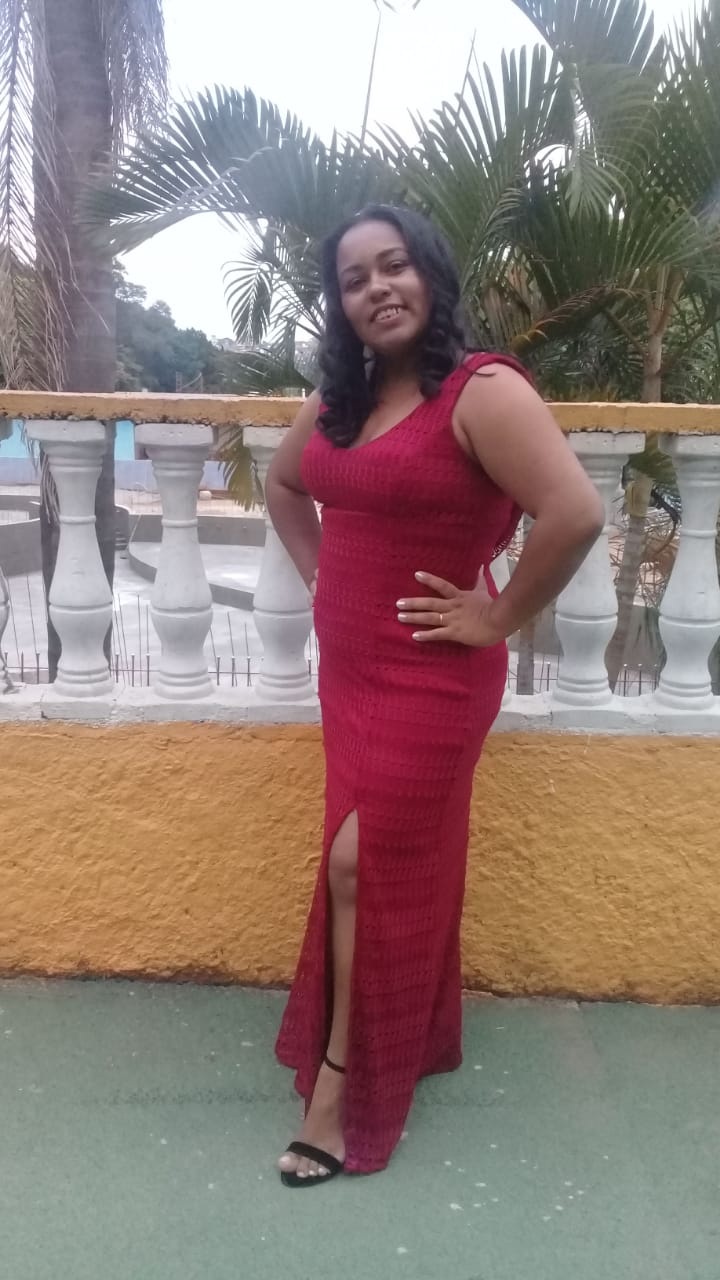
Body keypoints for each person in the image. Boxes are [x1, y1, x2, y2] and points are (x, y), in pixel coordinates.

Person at [266, 204, 605, 1187]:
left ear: (430, 274)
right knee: (388, 866)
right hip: (350, 674)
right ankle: (421, 1033)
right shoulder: (343, 397)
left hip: (434, 676)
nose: (378, 288)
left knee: (360, 865)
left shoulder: (480, 391)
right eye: (355, 278)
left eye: (395, 265)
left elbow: (575, 511)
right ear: (339, 303)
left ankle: (342, 1090)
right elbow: (286, 484)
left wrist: (497, 619)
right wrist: (322, 575)